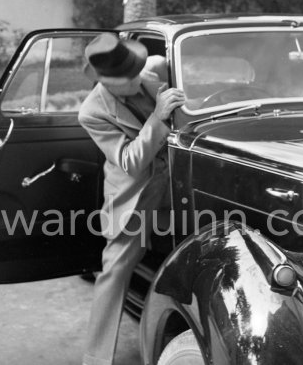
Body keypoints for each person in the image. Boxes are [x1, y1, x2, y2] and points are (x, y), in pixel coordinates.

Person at [78, 33, 185, 365]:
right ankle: (96, 360)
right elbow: (129, 161)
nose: (133, 83)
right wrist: (158, 115)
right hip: (134, 198)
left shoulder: (150, 75)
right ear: (104, 80)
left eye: (135, 75)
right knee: (114, 272)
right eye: (124, 81)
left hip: (179, 187)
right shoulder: (92, 111)